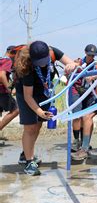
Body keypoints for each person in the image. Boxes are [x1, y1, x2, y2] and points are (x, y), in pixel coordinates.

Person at [14, 41, 76, 175]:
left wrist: (71, 65)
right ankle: (29, 162)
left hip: (43, 90)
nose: (43, 63)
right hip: (26, 94)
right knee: (30, 126)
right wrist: (39, 111)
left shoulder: (53, 52)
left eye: (45, 60)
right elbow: (28, 96)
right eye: (39, 61)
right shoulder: (26, 67)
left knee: (37, 126)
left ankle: (26, 154)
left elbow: (72, 63)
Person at [70, 44, 97, 161]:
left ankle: (85, 143)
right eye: (89, 55)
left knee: (86, 117)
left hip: (90, 92)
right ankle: (76, 141)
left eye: (93, 55)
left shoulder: (96, 65)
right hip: (76, 90)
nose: (91, 57)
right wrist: (75, 66)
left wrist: (93, 77)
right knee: (76, 116)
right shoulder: (78, 63)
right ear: (85, 53)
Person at [0, 46, 19, 132]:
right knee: (15, 110)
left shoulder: (1, 60)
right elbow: (1, 75)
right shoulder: (8, 60)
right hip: (1, 91)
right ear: (12, 52)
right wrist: (9, 89)